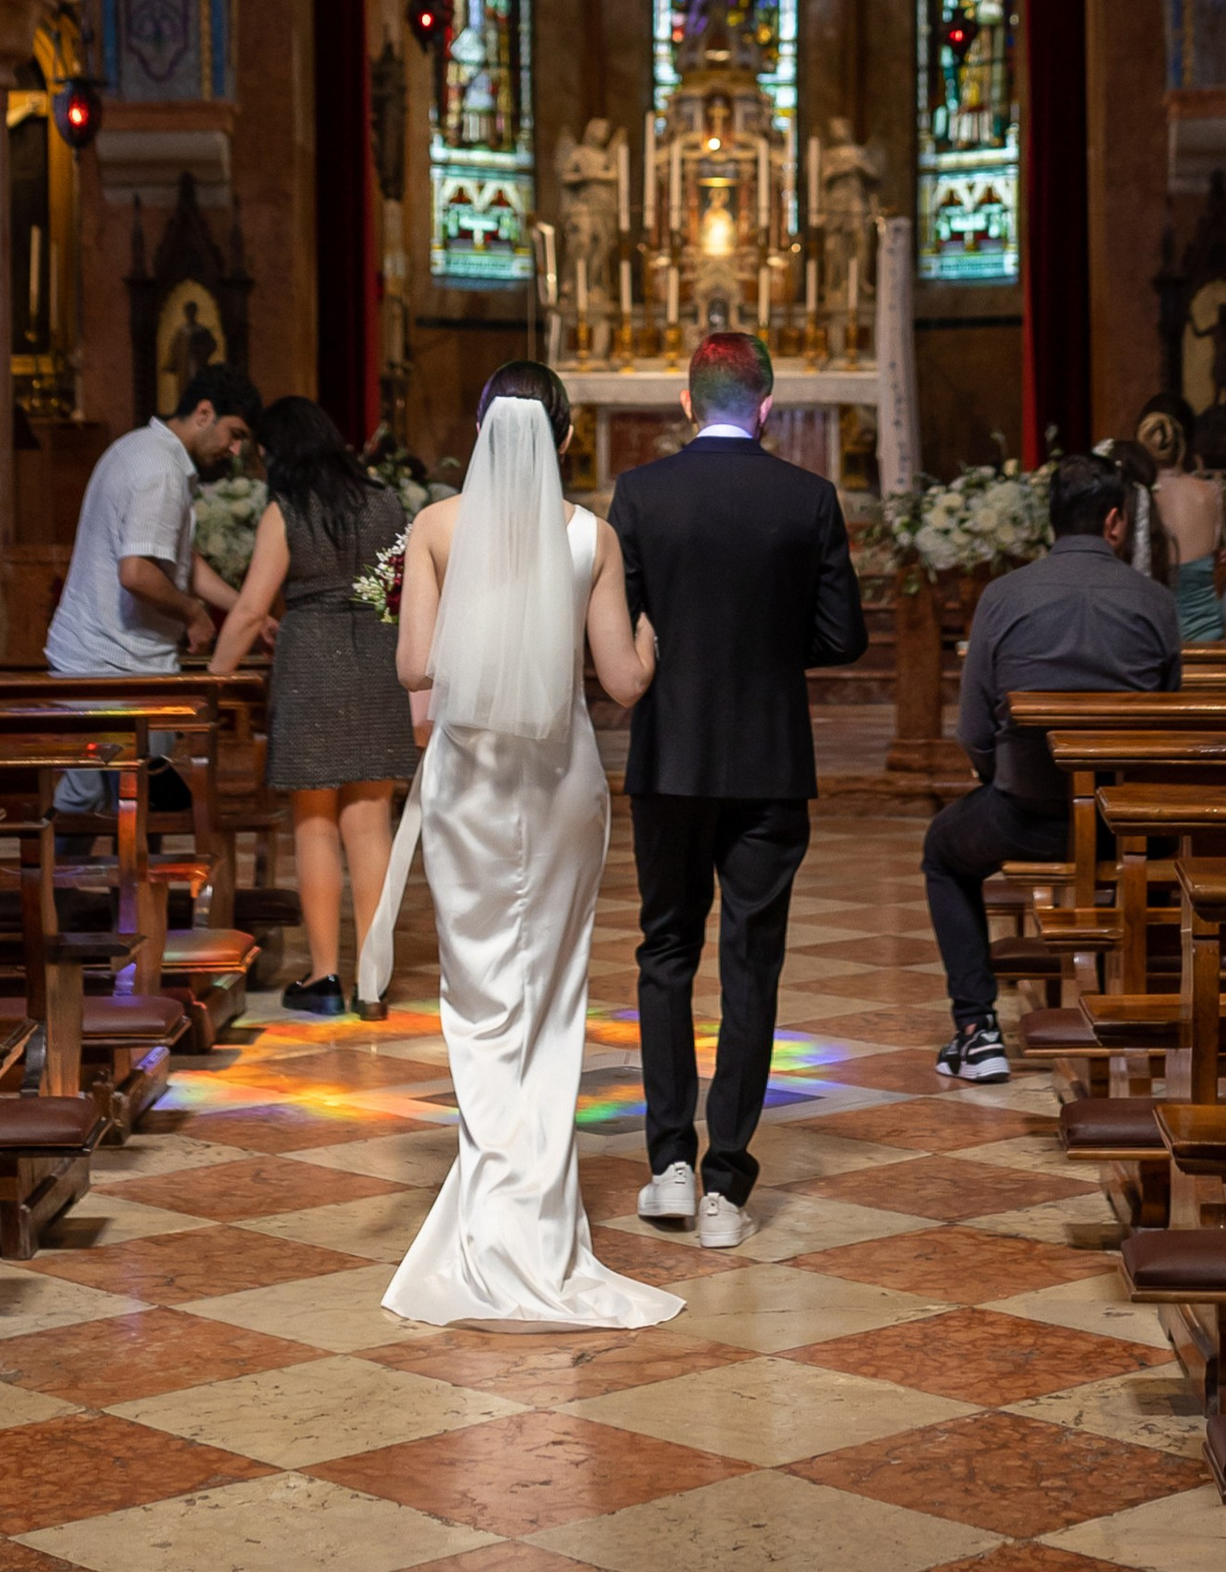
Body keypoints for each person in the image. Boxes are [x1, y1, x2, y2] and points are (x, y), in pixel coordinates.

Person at [364, 363, 676, 1328]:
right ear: (565, 437)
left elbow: (415, 663)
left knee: (478, 992)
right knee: (550, 991)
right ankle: (535, 1220)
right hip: (557, 786)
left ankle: (494, 1210)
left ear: (478, 427)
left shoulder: (438, 527)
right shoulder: (591, 534)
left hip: (468, 785)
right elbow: (622, 682)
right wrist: (653, 638)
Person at [609, 330, 869, 1245]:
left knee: (665, 952)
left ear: (687, 402)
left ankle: (670, 1164)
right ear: (765, 405)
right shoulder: (807, 496)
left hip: (670, 757)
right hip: (769, 761)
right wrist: (763, 650)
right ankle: (727, 1186)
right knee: (752, 964)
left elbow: (621, 625)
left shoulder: (641, 493)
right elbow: (843, 637)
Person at [923, 450, 1181, 1082]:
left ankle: (977, 1029)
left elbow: (973, 729)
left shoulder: (1004, 596)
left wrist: (1002, 781)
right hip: (1129, 826)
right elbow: (1170, 724)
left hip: (1026, 814)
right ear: (1116, 521)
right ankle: (1165, 1012)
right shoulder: (1154, 602)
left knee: (942, 852)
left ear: (1051, 521)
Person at [208, 397, 413, 1020]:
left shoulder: (287, 509)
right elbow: (398, 594)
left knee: (315, 820)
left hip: (312, 660)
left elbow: (249, 609)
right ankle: (372, 982)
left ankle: (324, 977)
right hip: (378, 657)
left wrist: (214, 679)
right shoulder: (385, 502)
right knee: (371, 819)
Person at [44, 363, 262, 831]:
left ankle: (73, 895)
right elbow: (138, 573)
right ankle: (76, 895)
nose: (236, 449)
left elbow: (179, 560)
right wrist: (193, 613)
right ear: (204, 413)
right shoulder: (161, 471)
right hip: (114, 664)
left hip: (99, 655)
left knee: (110, 796)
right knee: (119, 798)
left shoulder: (140, 449)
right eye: (234, 433)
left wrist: (244, 609)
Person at [1139, 401, 1226, 644]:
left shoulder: (1140, 496)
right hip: (1207, 628)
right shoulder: (1211, 492)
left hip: (1156, 631)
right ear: (1182, 448)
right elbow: (1218, 554)